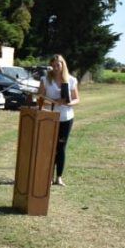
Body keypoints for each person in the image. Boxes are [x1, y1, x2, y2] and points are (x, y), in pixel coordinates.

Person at [38, 53, 80, 187]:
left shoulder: (71, 80)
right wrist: (53, 102)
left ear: (63, 65)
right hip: (49, 117)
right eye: (54, 65)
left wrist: (67, 103)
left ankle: (59, 177)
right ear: (51, 65)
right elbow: (40, 99)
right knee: (49, 147)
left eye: (58, 65)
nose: (56, 67)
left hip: (66, 118)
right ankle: (48, 176)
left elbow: (77, 99)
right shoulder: (45, 79)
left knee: (61, 148)